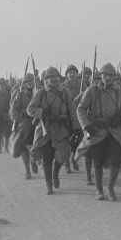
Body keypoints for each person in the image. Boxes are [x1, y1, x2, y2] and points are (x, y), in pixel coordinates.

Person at [76, 63, 121, 201]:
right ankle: (99, 189)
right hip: (97, 130)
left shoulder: (119, 91)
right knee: (97, 160)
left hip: (114, 130)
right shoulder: (92, 90)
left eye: (111, 75)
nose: (108, 78)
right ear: (101, 76)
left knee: (116, 159)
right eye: (105, 75)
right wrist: (86, 125)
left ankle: (110, 187)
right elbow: (81, 108)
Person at [27, 67, 81, 195]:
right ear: (46, 79)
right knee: (47, 158)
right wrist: (42, 112)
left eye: (56, 76)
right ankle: (48, 184)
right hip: (45, 129)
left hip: (62, 129)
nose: (54, 79)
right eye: (50, 77)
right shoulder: (40, 93)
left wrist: (76, 127)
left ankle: (55, 174)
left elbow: (72, 110)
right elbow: (30, 109)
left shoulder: (65, 92)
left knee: (61, 156)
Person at [73, 70, 101, 186]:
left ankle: (96, 173)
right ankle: (88, 175)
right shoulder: (87, 91)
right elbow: (76, 103)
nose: (96, 82)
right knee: (88, 151)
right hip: (88, 125)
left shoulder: (104, 93)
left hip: (100, 126)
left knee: (98, 152)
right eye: (94, 80)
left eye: (98, 80)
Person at [9, 73, 38, 179]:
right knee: (24, 148)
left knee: (37, 144)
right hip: (25, 123)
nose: (30, 83)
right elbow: (13, 110)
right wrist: (21, 120)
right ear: (25, 83)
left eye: (32, 81)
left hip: (37, 122)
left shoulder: (38, 92)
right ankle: (27, 170)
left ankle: (33, 160)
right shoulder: (20, 94)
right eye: (28, 81)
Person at [63, 64, 81, 173]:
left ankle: (74, 159)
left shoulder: (82, 84)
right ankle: (66, 164)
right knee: (66, 140)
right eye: (70, 72)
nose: (72, 74)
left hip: (79, 117)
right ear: (66, 75)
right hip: (66, 117)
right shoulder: (62, 87)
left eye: (74, 72)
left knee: (77, 141)